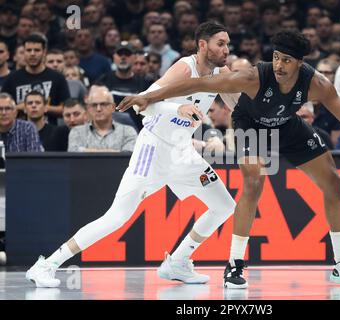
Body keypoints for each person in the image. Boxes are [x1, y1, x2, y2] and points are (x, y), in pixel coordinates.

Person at [118, 30, 340, 288]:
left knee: (333, 182)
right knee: (253, 183)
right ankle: (235, 264)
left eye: (286, 60)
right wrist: (148, 96)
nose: (279, 65)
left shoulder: (317, 84)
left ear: (299, 63)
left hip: (286, 124)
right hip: (251, 125)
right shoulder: (253, 77)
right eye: (275, 58)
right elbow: (199, 82)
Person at [26, 22, 237, 288]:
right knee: (117, 217)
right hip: (153, 149)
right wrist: (178, 109)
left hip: (183, 153)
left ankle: (179, 262)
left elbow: (239, 104)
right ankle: (46, 265)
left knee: (224, 205)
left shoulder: (222, 72)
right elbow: (143, 105)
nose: (226, 49)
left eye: (228, 43)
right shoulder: (185, 68)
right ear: (203, 45)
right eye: (221, 43)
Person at [1, 33, 70, 126]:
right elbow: (2, 107)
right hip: (19, 133)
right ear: (24, 52)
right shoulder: (12, 78)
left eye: (37, 50)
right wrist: (18, 107)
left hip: (50, 132)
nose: (32, 54)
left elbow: (66, 109)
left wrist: (43, 107)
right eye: (29, 50)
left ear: (44, 52)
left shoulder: (57, 78)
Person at [68, 86, 137, 152]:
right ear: (88, 108)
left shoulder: (127, 131)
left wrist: (85, 150)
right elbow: (73, 153)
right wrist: (115, 152)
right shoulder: (77, 132)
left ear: (113, 107)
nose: (98, 109)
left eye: (103, 104)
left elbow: (128, 156)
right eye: (94, 105)